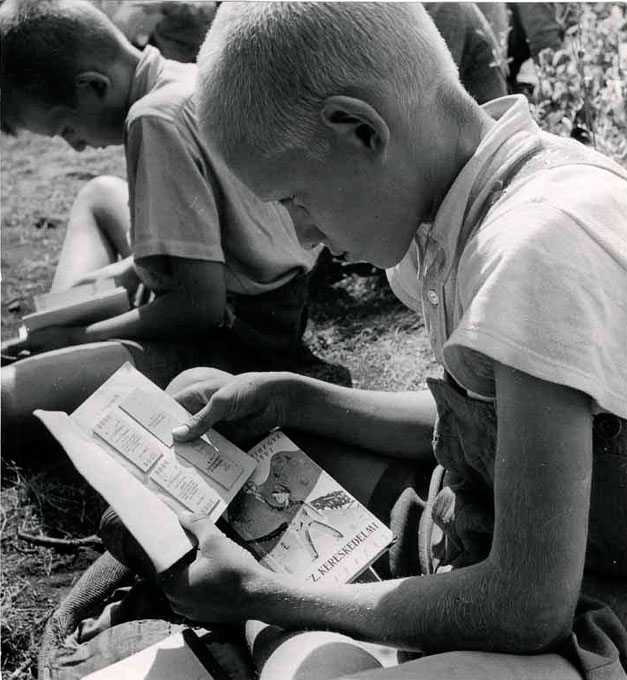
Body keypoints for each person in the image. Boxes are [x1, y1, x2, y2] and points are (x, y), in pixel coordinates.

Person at [142, 4, 624, 680]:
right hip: (483, 526)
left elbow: (527, 607)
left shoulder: (534, 249)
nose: (304, 236)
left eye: (295, 199)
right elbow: (500, 429)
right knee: (243, 450)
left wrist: (269, 598)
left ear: (359, 129)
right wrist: (294, 398)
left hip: (587, 600)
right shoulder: (453, 214)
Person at [0, 0, 317, 461]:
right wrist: (132, 268)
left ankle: (59, 349)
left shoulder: (152, 120)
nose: (75, 146)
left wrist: (81, 340)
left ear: (93, 86)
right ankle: (56, 335)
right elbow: (218, 224)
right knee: (100, 193)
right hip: (281, 306)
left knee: (7, 399)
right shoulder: (182, 77)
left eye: (66, 128)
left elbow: (199, 306)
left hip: (233, 343)